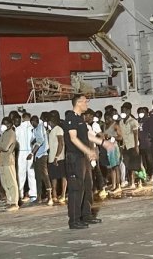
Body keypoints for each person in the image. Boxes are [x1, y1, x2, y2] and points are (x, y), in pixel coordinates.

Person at [64, 94, 114, 229]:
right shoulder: (70, 118)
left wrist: (103, 143)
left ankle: (86, 215)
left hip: (82, 158)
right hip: (74, 158)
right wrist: (89, 151)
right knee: (76, 188)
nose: (87, 104)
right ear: (79, 102)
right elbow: (73, 138)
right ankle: (74, 220)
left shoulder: (80, 119)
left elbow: (87, 135)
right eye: (86, 101)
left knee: (87, 185)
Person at [0, 117, 19, 211]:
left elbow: (4, 147)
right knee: (4, 182)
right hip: (2, 161)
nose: (3, 125)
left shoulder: (11, 134)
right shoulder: (4, 134)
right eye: (2, 123)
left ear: (10, 124)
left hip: (9, 161)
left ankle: (14, 202)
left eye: (5, 123)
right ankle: (9, 201)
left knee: (11, 182)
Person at [29, 115, 52, 205]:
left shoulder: (39, 128)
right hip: (37, 156)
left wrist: (32, 153)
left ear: (36, 121)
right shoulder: (35, 130)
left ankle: (50, 197)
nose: (32, 124)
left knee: (45, 175)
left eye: (33, 122)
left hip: (42, 155)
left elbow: (40, 141)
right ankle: (39, 197)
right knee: (38, 177)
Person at [15, 112, 37, 204]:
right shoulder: (33, 128)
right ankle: (33, 194)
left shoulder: (18, 128)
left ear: (22, 118)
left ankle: (20, 194)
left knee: (21, 174)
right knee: (32, 174)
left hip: (21, 152)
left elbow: (15, 141)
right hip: (31, 152)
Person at [120, 103, 141, 188]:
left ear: (129, 111)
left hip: (133, 145)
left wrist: (136, 147)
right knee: (128, 164)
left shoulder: (133, 121)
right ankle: (131, 181)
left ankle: (138, 181)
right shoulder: (121, 121)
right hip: (125, 146)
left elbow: (136, 134)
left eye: (124, 110)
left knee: (136, 164)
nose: (123, 112)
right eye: (122, 110)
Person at [47, 113, 67, 204]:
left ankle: (63, 194)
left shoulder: (58, 129)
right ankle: (54, 195)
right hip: (52, 158)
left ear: (51, 122)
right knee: (53, 177)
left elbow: (61, 143)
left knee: (63, 176)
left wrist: (57, 156)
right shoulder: (51, 131)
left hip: (59, 158)